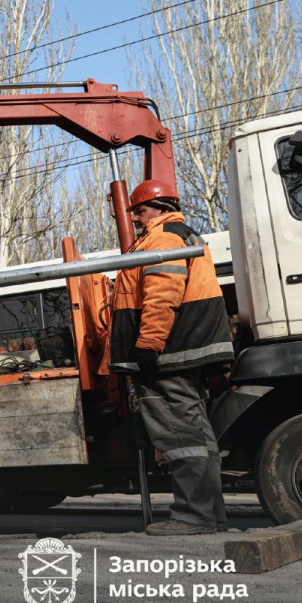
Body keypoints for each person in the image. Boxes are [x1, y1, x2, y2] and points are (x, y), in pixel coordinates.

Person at [109, 180, 234, 536]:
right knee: (196, 436)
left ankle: (195, 517)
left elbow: (162, 293)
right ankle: (211, 515)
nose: (135, 218)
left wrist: (148, 344)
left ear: (159, 206)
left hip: (169, 353)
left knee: (180, 437)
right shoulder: (185, 235)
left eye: (139, 211)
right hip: (183, 351)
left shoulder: (163, 238)